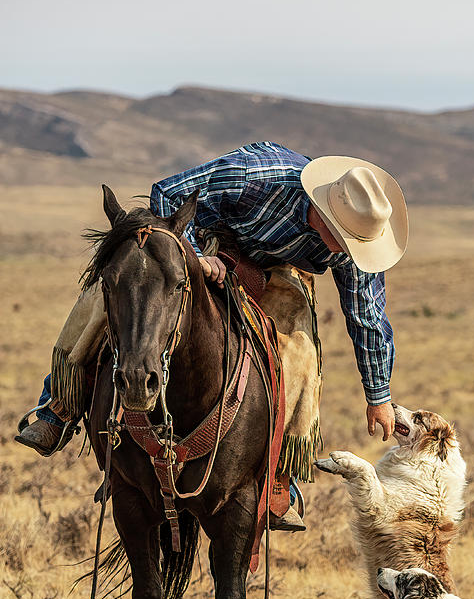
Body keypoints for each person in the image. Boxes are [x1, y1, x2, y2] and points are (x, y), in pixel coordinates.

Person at [16, 141, 408, 528]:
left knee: (301, 355)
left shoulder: (357, 243)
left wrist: (379, 396)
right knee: (109, 297)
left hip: (277, 274)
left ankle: (276, 474)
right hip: (203, 247)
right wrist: (196, 257)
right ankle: (59, 406)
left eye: (351, 243)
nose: (343, 248)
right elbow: (166, 194)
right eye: (339, 236)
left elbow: (367, 315)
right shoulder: (256, 175)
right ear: (322, 209)